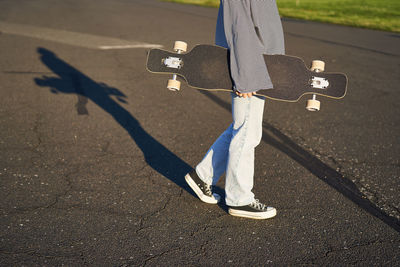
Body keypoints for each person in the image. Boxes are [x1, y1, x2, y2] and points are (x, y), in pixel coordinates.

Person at [185, 0, 285, 219]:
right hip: (251, 69)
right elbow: (238, 28)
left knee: (243, 127)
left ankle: (203, 176)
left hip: (260, 65)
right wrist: (246, 76)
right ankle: (239, 199)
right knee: (247, 132)